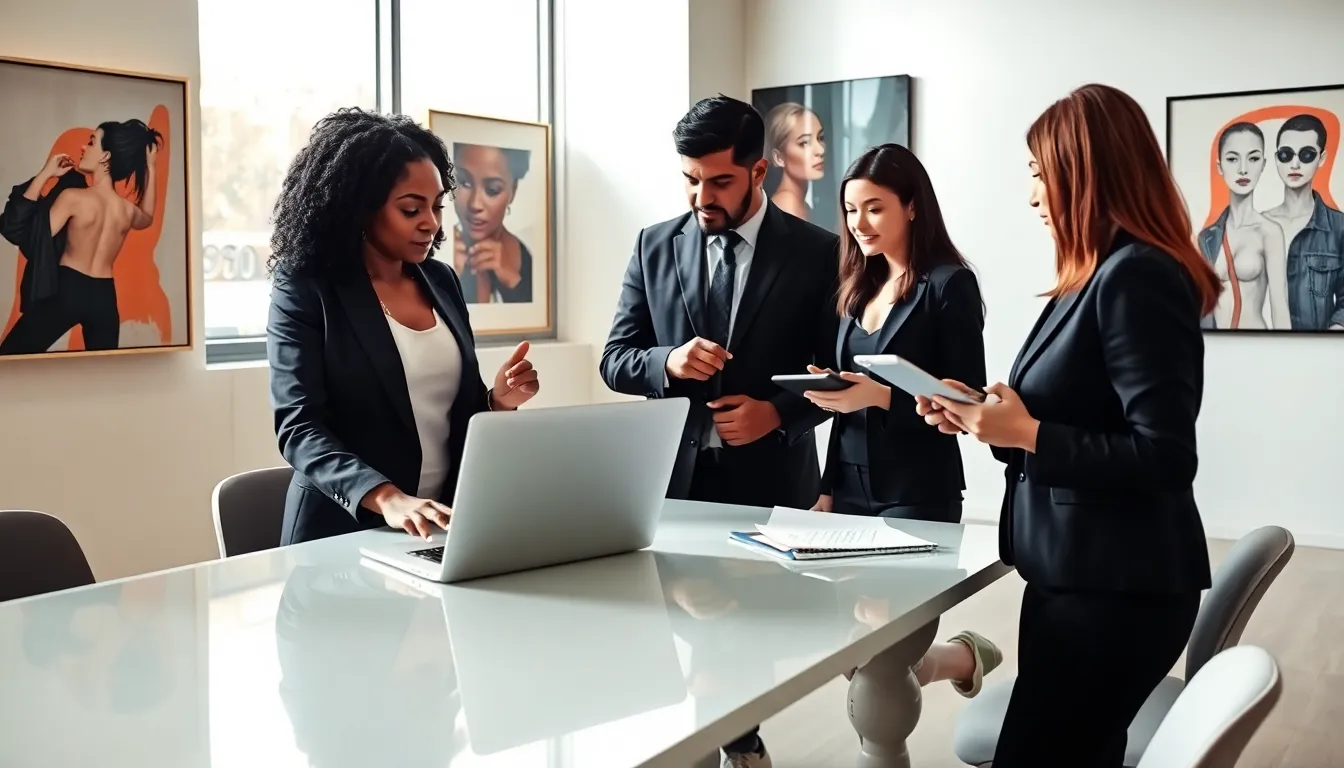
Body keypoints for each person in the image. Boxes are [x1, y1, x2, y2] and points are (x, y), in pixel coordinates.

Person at [917, 83, 1220, 766]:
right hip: (1077, 579)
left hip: (1117, 593)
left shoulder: (1137, 276)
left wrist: (1026, 434)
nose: (1031, 197)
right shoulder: (1092, 277)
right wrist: (988, 420)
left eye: (1036, 174)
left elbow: (1166, 456)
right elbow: (1064, 419)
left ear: (1084, 173)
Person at [599, 95, 839, 768]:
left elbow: (837, 374)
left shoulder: (820, 253)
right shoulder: (653, 244)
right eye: (690, 179)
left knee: (748, 634)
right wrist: (664, 362)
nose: (702, 195)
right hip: (669, 482)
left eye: (720, 180)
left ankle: (739, 736)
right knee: (681, 630)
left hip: (770, 482)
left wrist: (778, 413)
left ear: (759, 171)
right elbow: (615, 359)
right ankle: (723, 742)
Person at [267, 108, 540, 546]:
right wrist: (389, 498)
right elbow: (299, 428)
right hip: (339, 536)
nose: (430, 223)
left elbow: (454, 414)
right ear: (359, 207)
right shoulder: (306, 287)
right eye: (411, 209)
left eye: (435, 207)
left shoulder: (442, 281)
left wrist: (498, 402)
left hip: (440, 528)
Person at [798, 142, 1000, 699]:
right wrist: (827, 488)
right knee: (846, 652)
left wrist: (880, 397)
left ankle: (948, 665)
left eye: (875, 207)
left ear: (912, 206)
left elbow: (968, 405)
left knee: (883, 658)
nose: (859, 223)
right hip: (851, 488)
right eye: (850, 209)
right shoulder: (855, 286)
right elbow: (852, 405)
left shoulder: (949, 285)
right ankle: (962, 657)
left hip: (918, 489)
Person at [0, 119, 163, 353]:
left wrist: (46, 174)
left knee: (9, 357)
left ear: (105, 156)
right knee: (103, 374)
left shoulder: (73, 198)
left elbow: (34, 240)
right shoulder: (125, 210)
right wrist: (151, 167)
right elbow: (147, 216)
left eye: (91, 142)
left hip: (68, 290)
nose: (83, 148)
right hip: (104, 297)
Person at [1196, 122, 1288, 329]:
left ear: (1263, 164)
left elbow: (1280, 308)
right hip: (1216, 346)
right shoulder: (1207, 237)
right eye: (1232, 159)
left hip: (1257, 344)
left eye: (1253, 158)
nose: (1243, 169)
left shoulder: (1269, 232)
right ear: (1220, 167)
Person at [1262, 113, 1344, 330]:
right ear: (1276, 157)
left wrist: (1326, 342)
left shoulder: (1339, 228)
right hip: (1256, 352)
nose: (1295, 164)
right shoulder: (1258, 224)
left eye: (1307, 154)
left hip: (1318, 355)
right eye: (1286, 154)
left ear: (1322, 158)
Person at [450, 142, 534, 304]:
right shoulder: (431, 254)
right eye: (463, 182)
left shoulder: (531, 266)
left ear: (513, 191)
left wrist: (513, 282)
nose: (475, 204)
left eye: (492, 190)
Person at [763, 102, 825, 222]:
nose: (821, 150)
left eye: (820, 138)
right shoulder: (788, 206)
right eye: (804, 143)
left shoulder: (800, 204)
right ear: (779, 157)